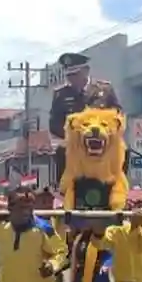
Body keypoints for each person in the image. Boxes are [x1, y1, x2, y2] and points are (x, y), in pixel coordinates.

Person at [47, 52, 121, 186]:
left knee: (123, 151)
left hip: (102, 144)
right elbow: (54, 124)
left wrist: (106, 132)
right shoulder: (60, 94)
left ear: (86, 71)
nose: (72, 79)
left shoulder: (105, 90)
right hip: (74, 147)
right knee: (60, 153)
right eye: (69, 75)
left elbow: (118, 115)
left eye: (75, 74)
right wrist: (74, 135)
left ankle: (117, 186)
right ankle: (64, 190)